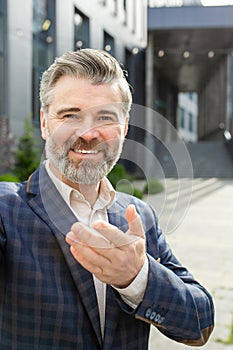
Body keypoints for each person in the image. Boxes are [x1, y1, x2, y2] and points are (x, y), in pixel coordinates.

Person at [0, 49, 214, 349]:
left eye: (105, 117)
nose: (88, 133)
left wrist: (137, 277)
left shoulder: (139, 215)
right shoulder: (5, 209)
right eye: (70, 114)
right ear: (46, 123)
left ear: (123, 128)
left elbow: (200, 325)